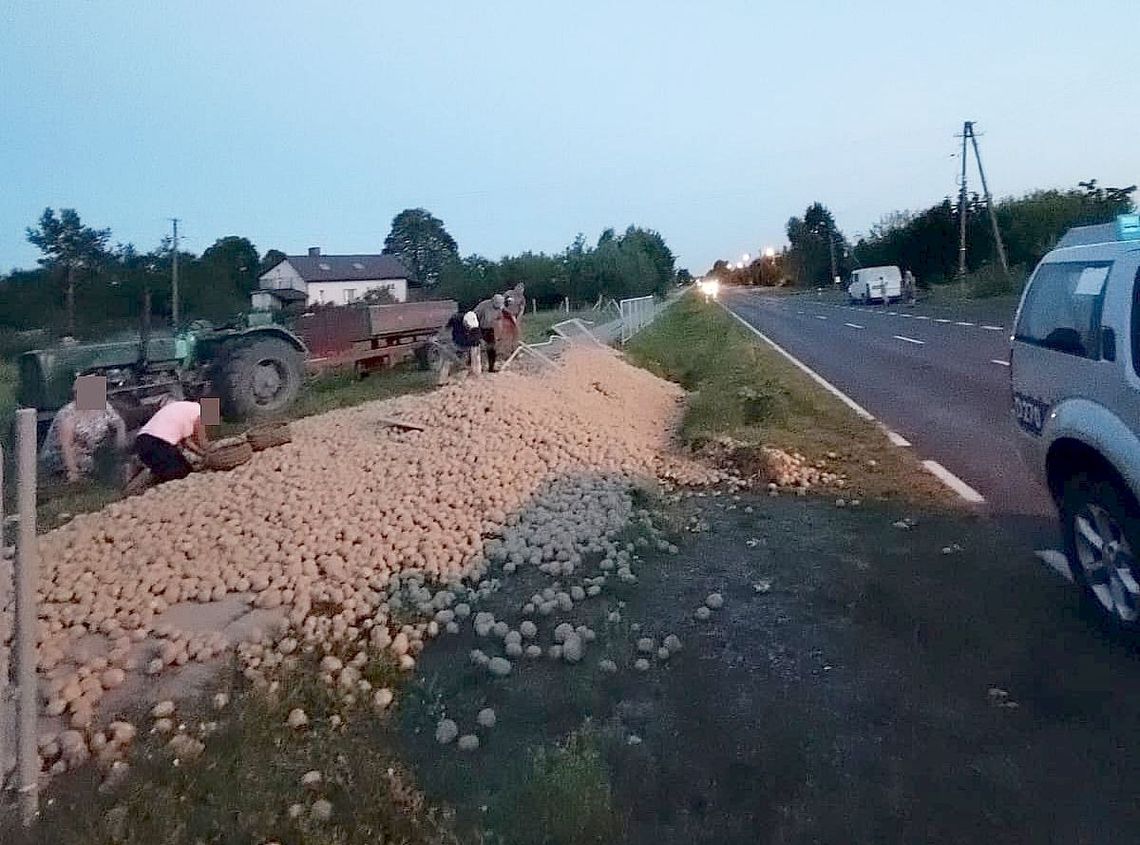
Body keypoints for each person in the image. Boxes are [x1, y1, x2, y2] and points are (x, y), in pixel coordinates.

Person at [38, 377, 127, 484]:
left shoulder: (103, 406)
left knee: (110, 457)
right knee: (96, 463)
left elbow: (118, 422)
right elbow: (66, 445)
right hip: (63, 455)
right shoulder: (68, 414)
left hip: (91, 450)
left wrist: (120, 440)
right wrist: (73, 471)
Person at [132, 397, 210, 483]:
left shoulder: (184, 408)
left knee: (186, 469)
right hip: (158, 442)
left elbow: (186, 442)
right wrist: (209, 453)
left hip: (143, 441)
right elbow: (200, 438)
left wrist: (202, 454)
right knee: (181, 475)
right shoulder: (198, 411)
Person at [436, 310, 482, 384]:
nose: (469, 328)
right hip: (455, 343)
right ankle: (442, 381)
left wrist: (473, 365)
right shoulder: (456, 318)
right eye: (467, 326)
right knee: (447, 361)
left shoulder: (476, 330)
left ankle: (473, 377)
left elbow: (475, 351)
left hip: (467, 346)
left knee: (469, 363)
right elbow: (446, 327)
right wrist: (439, 337)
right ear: (465, 322)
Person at [474, 293, 506, 372]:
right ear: (492, 301)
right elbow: (474, 316)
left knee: (492, 348)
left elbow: (499, 318)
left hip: (490, 329)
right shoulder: (483, 305)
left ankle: (491, 367)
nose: (498, 307)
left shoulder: (500, 307)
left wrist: (499, 331)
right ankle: (473, 366)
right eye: (496, 305)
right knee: (476, 347)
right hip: (479, 328)